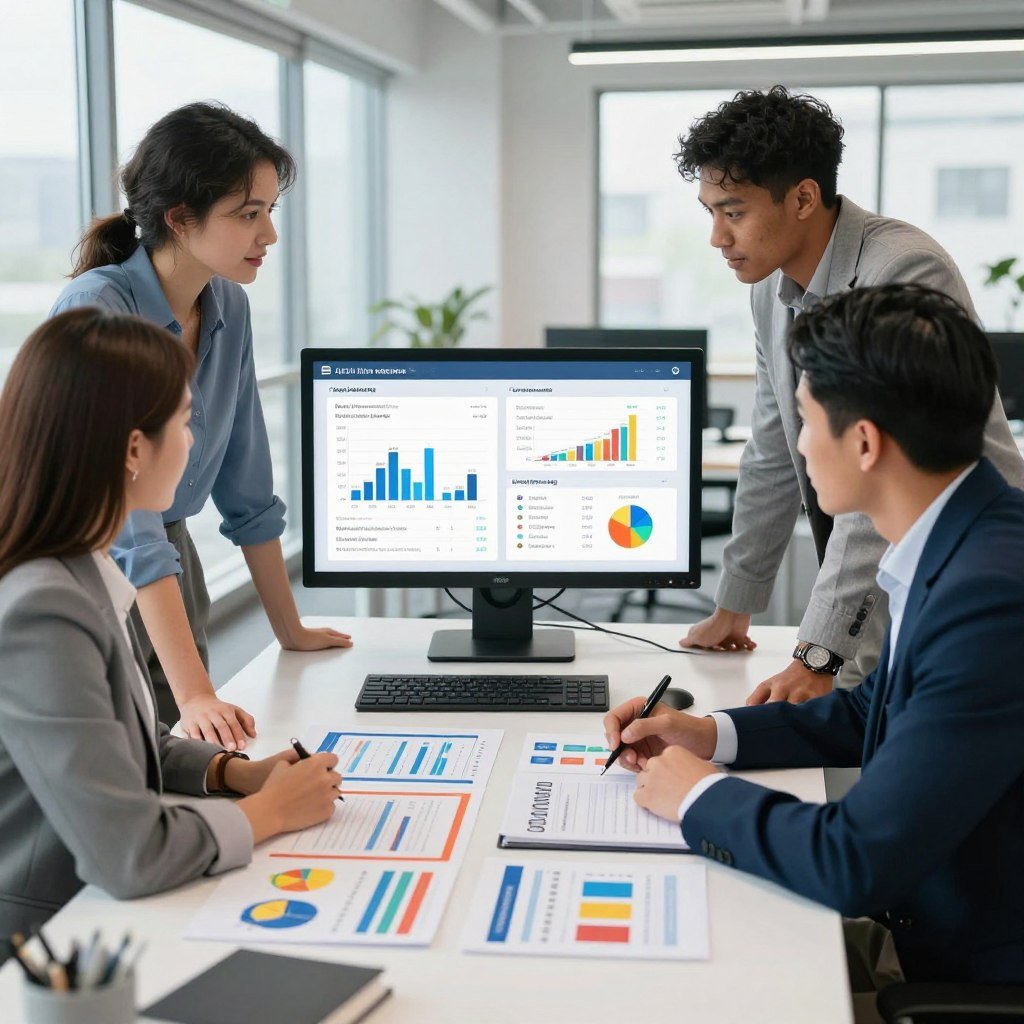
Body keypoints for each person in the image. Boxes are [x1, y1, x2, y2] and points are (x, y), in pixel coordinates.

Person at [606, 284, 1024, 997]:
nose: (798, 446)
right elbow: (877, 715)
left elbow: (856, 860)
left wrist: (698, 796)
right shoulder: (970, 539)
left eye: (805, 420)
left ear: (864, 441)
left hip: (976, 967)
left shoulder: (988, 595)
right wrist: (708, 734)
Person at [0, 308, 342, 941]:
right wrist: (268, 813)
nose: (193, 442)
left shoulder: (81, 566)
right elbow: (126, 851)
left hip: (107, 907)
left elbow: (127, 741)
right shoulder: (39, 611)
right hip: (55, 935)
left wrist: (235, 773)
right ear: (135, 449)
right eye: (185, 421)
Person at [674, 86, 1024, 704]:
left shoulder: (905, 271)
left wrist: (818, 649)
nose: (717, 238)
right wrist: (736, 602)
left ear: (804, 197)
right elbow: (774, 450)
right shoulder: (769, 290)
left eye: (733, 212)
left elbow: (883, 468)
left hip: (966, 573)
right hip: (881, 581)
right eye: (710, 212)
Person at [51, 102, 351, 750]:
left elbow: (246, 485)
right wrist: (194, 693)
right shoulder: (99, 305)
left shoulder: (227, 305)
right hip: (90, 560)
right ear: (179, 219)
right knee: (140, 751)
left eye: (270, 211)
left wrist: (288, 630)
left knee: (192, 752)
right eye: (249, 214)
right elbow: (129, 523)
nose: (267, 235)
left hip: (171, 552)